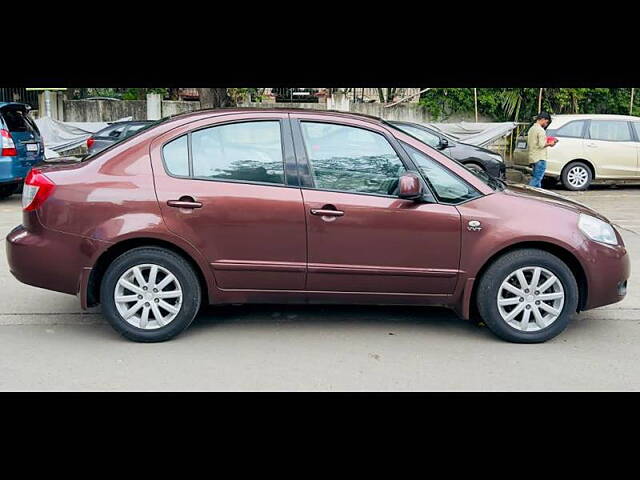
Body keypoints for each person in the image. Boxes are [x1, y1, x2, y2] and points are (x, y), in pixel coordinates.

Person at [527, 111, 558, 188]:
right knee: (537, 179)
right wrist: (551, 143)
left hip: (533, 157)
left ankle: (537, 197)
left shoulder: (532, 129)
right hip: (540, 158)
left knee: (538, 181)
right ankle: (527, 193)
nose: (546, 125)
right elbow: (541, 144)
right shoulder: (540, 130)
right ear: (543, 119)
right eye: (546, 122)